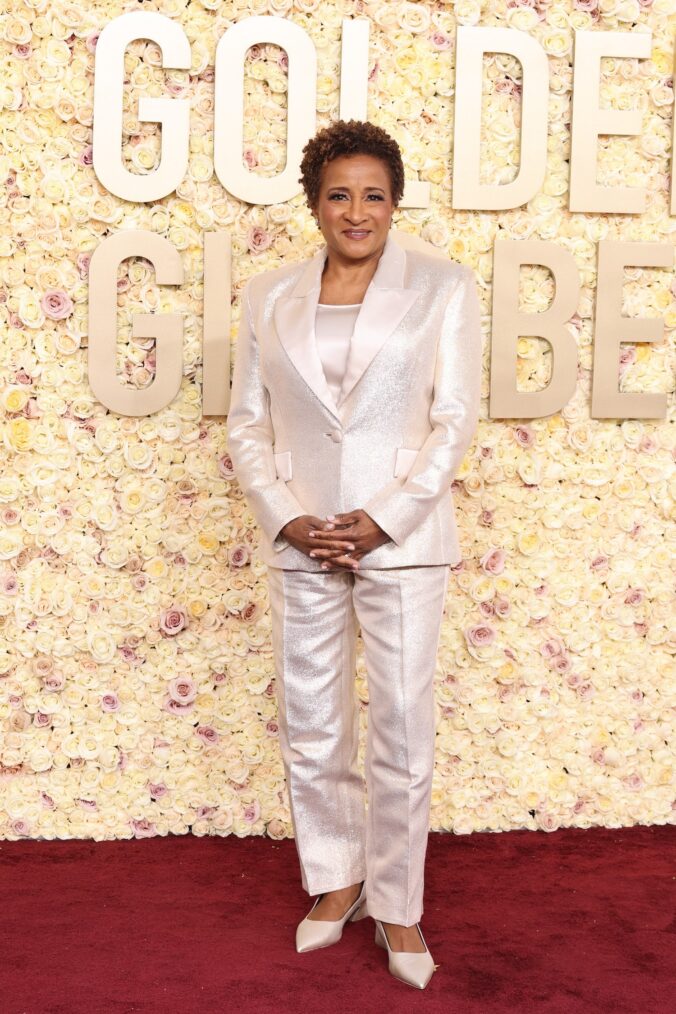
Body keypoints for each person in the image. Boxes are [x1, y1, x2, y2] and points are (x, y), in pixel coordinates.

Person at [226, 119, 482, 989]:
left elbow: (453, 424)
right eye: (340, 194)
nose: (358, 210)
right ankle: (335, 883)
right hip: (303, 538)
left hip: (401, 543)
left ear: (395, 201)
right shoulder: (267, 294)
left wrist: (386, 517)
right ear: (315, 203)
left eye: (374, 193)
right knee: (312, 725)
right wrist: (287, 517)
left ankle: (399, 904)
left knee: (403, 728)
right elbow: (247, 423)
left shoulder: (443, 287)